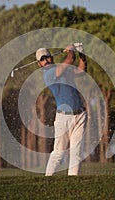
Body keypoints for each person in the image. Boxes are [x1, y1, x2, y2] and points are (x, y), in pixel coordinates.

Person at [35, 44, 88, 176]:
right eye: (42, 59)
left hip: (80, 114)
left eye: (47, 57)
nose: (45, 61)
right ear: (39, 64)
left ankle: (73, 182)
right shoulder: (48, 74)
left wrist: (82, 56)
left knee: (76, 153)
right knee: (59, 153)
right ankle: (48, 180)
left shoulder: (63, 70)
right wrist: (70, 51)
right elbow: (69, 60)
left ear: (51, 57)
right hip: (64, 118)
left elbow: (81, 70)